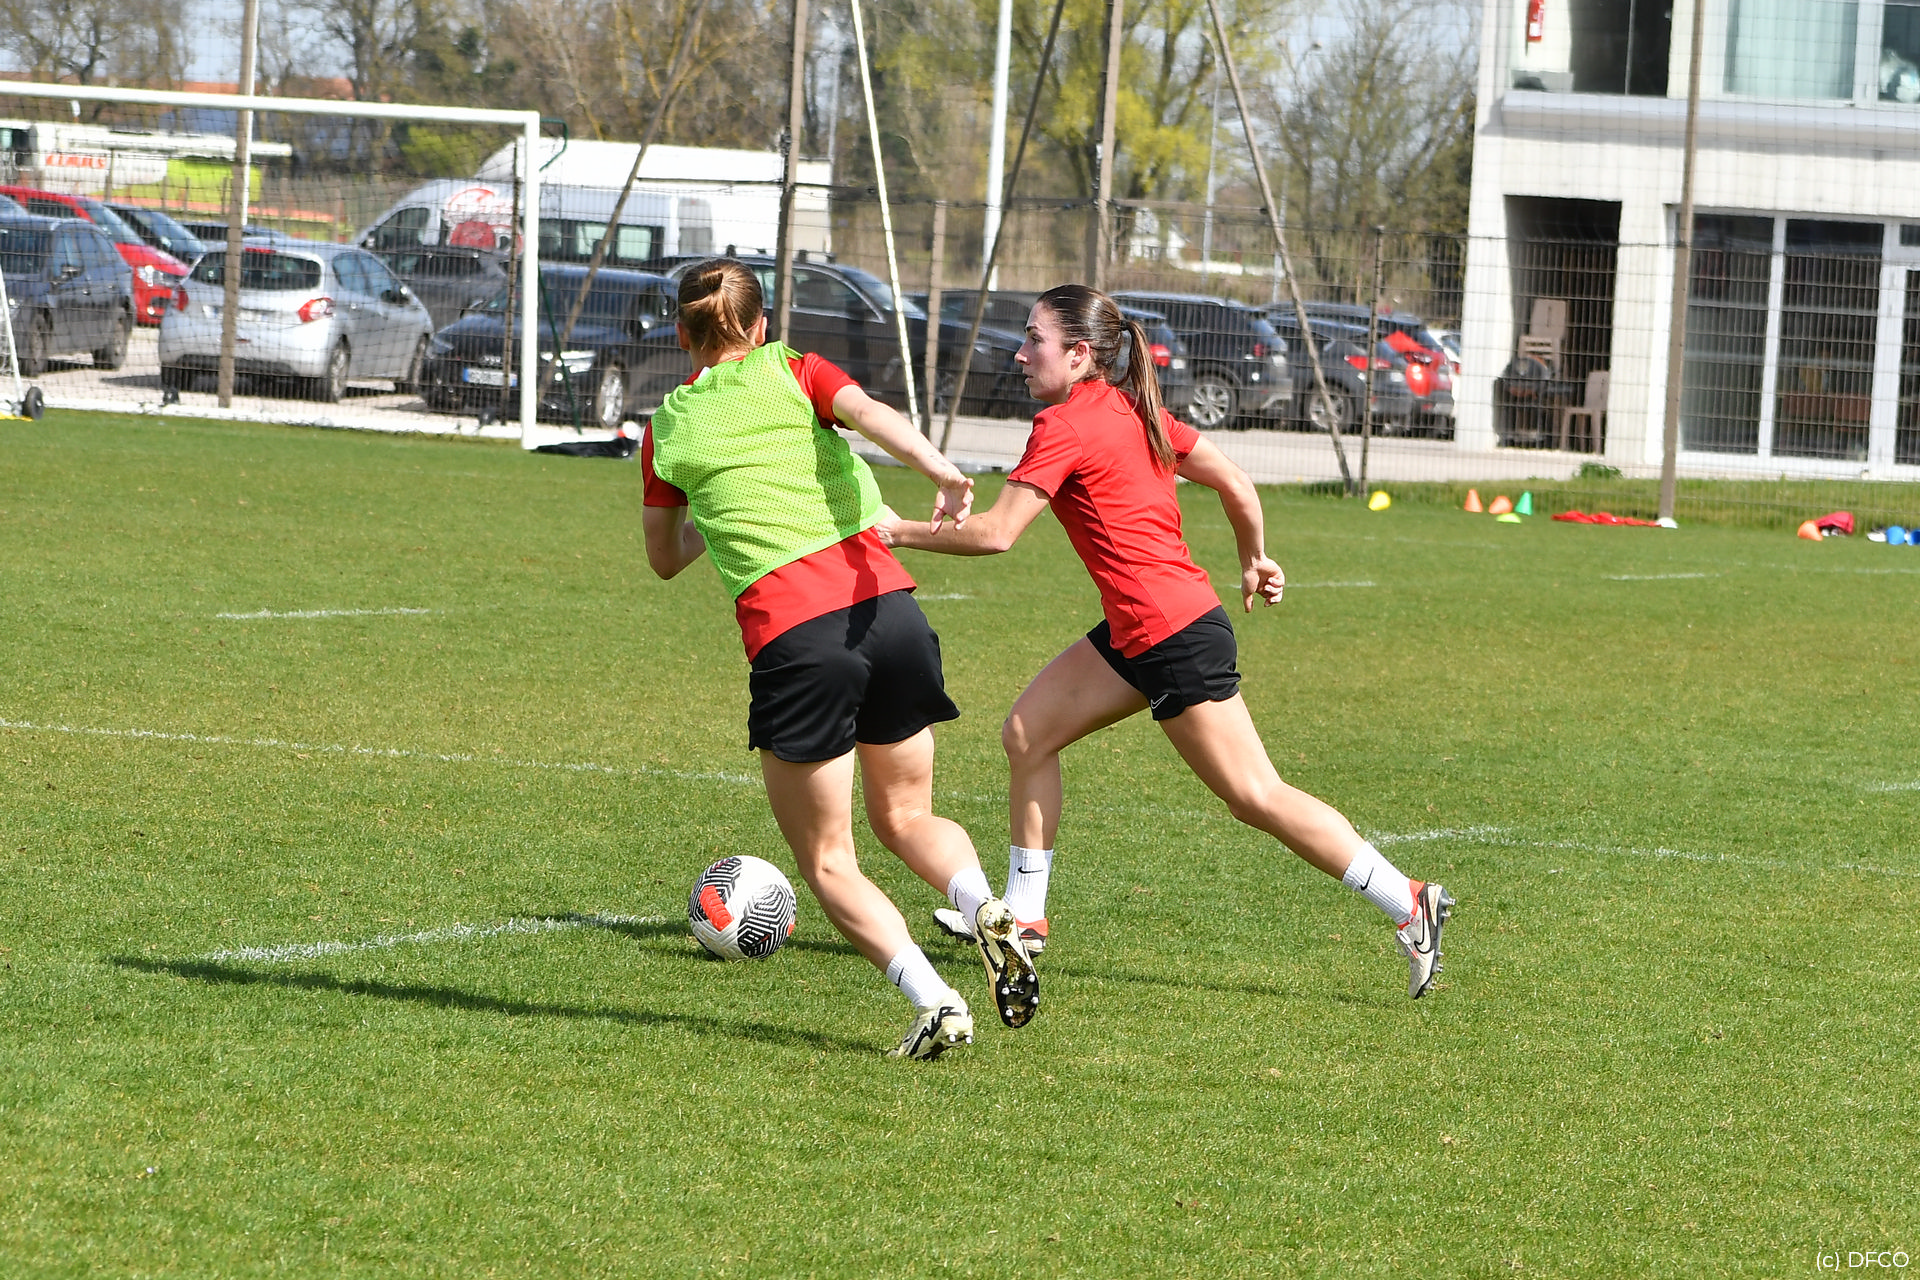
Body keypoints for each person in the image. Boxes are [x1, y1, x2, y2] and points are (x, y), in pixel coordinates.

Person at [879, 283, 1453, 999]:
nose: (1020, 354)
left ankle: (1410, 902)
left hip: (1171, 635)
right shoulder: (1132, 408)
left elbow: (997, 534)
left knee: (1255, 795)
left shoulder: (1065, 425)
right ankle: (1024, 918)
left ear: (1079, 354)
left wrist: (895, 531)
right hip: (1146, 627)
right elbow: (1234, 481)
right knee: (1028, 734)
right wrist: (1254, 557)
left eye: (1034, 340)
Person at [641, 259, 1040, 1058]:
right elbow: (870, 412)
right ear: (762, 327)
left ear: (682, 335)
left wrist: (718, 511)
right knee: (909, 817)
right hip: (891, 612)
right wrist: (940, 469)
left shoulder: (668, 429)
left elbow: (664, 558)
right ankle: (984, 905)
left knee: (827, 860)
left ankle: (936, 1002)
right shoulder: (795, 368)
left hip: (800, 640)